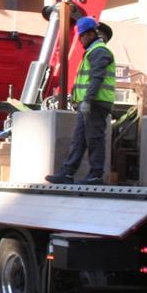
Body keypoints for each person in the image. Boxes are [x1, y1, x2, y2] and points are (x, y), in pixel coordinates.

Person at [46, 17, 116, 186]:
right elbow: (86, 80)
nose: (80, 40)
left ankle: (95, 175)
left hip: (96, 103)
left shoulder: (99, 51)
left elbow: (96, 78)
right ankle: (67, 173)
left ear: (91, 34)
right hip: (89, 104)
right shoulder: (93, 52)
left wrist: (88, 100)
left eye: (82, 36)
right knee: (79, 139)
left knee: (94, 139)